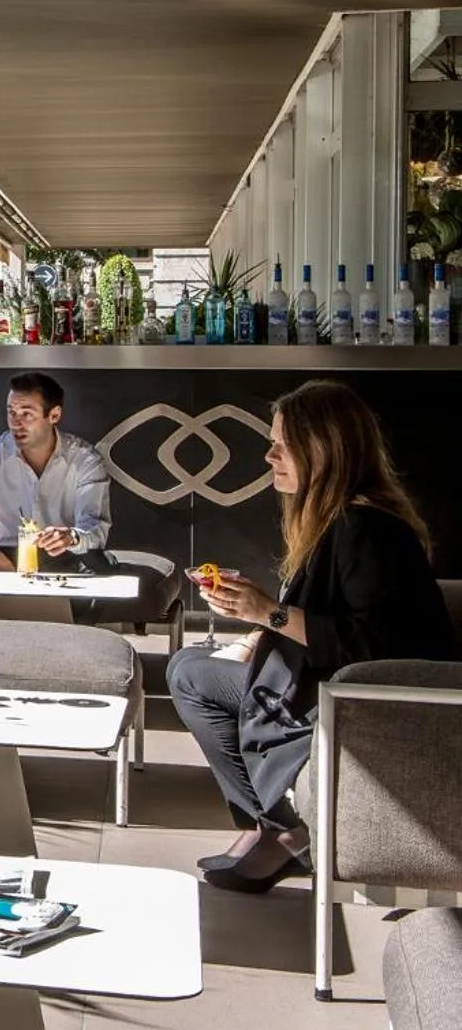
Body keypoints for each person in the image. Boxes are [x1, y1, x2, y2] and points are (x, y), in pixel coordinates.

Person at [170, 379, 457, 892]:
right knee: (190, 668)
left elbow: (378, 645)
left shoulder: (366, 529)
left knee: (191, 674)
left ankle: (282, 832)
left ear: (323, 449)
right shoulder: (336, 520)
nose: (268, 456)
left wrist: (268, 613)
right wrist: (258, 627)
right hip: (321, 683)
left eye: (282, 444)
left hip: (358, 707)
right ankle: (274, 825)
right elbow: (320, 615)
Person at [0, 371, 154, 620]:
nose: (16, 423)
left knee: (101, 569)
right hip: (3, 553)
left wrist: (70, 537)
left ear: (54, 415)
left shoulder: (84, 459)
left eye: (27, 414)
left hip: (63, 556)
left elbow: (96, 529)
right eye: (11, 412)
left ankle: (76, 641)